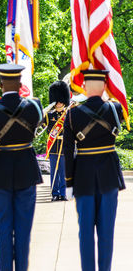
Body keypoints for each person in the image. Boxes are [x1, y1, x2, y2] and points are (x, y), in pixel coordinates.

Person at [0, 64, 43, 271]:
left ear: (0, 84)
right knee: (23, 230)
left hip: (1, 172)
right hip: (27, 170)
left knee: (4, 229)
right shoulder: (33, 107)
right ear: (21, 84)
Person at [63, 69, 125, 271]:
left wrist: (69, 182)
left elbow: (67, 151)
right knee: (107, 231)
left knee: (86, 232)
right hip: (108, 175)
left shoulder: (72, 114)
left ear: (84, 87)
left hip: (83, 176)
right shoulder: (115, 109)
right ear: (105, 86)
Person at [44, 81, 70, 201]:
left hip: (65, 145)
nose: (58, 103)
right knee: (54, 171)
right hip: (54, 145)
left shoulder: (68, 114)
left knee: (64, 171)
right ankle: (55, 193)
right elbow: (42, 126)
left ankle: (63, 193)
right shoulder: (49, 115)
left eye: (60, 100)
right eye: (57, 100)